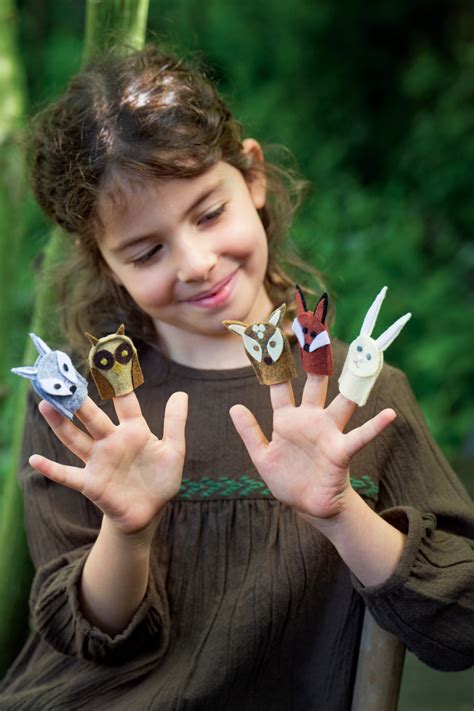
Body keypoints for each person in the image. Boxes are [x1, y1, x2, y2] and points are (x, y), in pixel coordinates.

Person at [0, 46, 473, 710]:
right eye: (147, 249)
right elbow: (88, 638)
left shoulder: (359, 392)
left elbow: (460, 627)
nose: (195, 262)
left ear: (250, 174)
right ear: (102, 259)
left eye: (208, 212)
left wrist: (341, 512)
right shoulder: (77, 404)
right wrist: (127, 531)